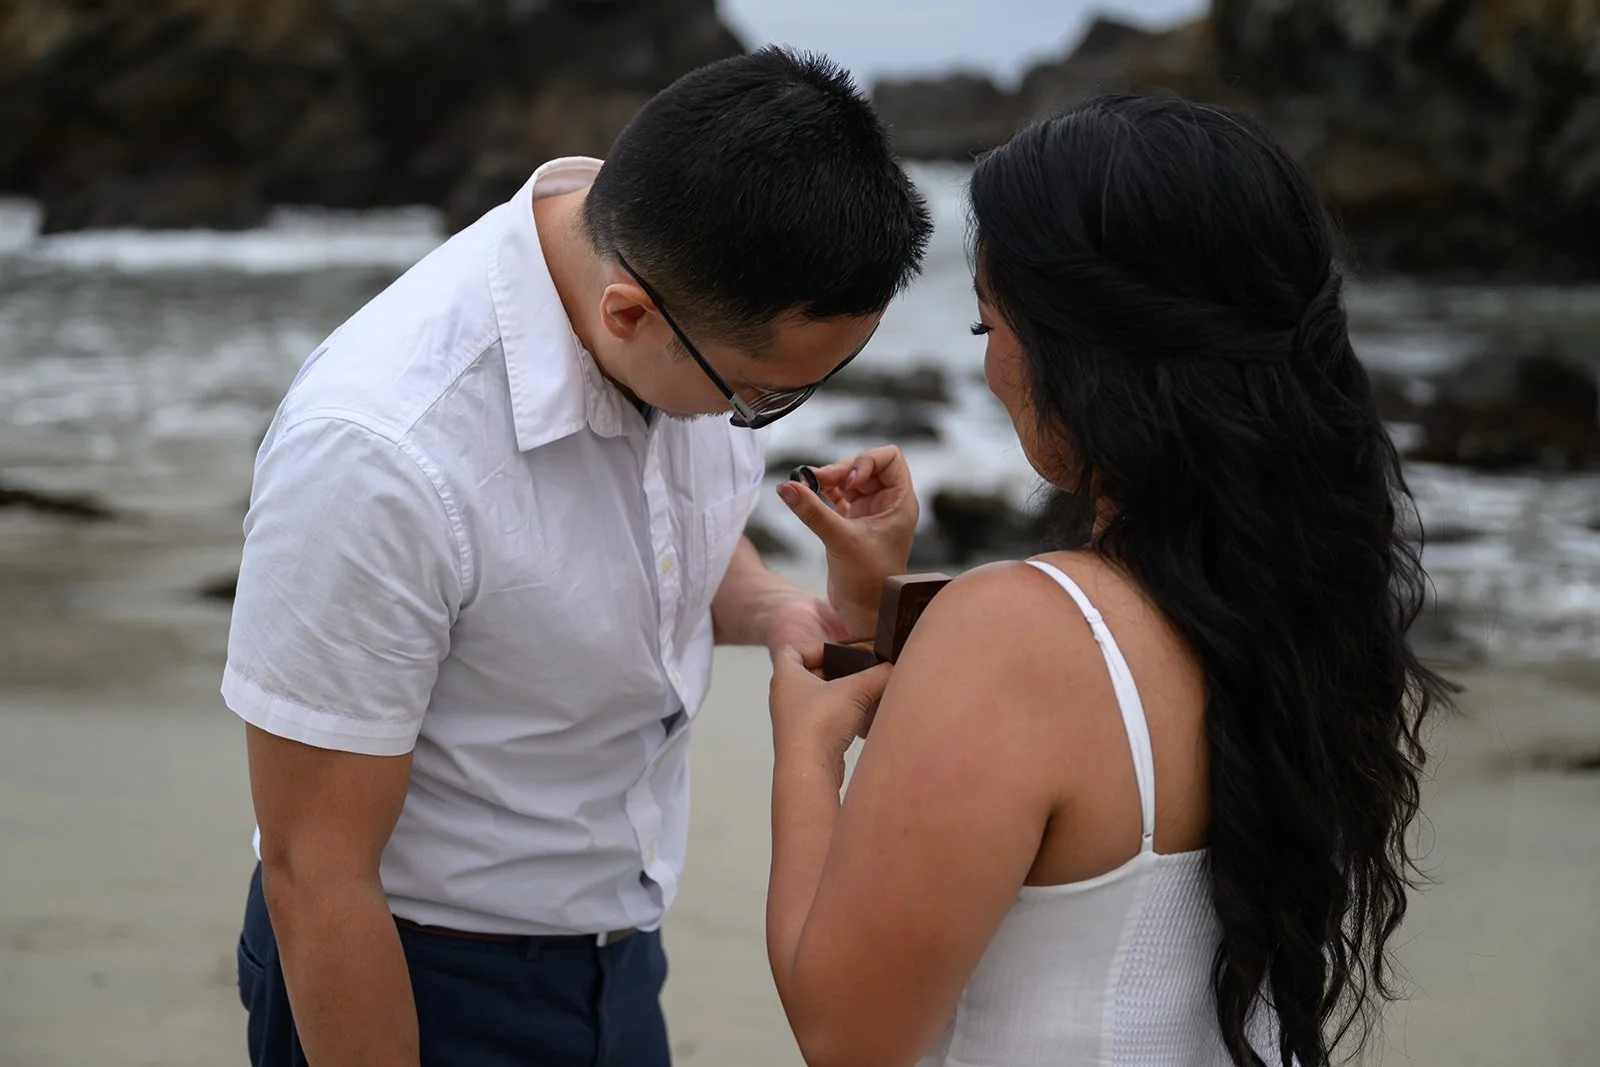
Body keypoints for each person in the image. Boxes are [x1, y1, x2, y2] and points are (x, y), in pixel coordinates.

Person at [225, 47, 932, 1067]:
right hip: (410, 968)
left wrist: (777, 605)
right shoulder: (380, 449)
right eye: (762, 394)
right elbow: (313, 867)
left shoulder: (683, 276)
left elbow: (638, 527)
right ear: (629, 314)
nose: (766, 418)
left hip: (620, 956)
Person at [765, 94, 1455, 1067]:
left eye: (986, 326)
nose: (991, 368)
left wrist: (802, 749)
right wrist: (886, 596)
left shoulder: (1017, 634)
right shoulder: (1306, 606)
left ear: (1085, 348)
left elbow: (848, 1034)